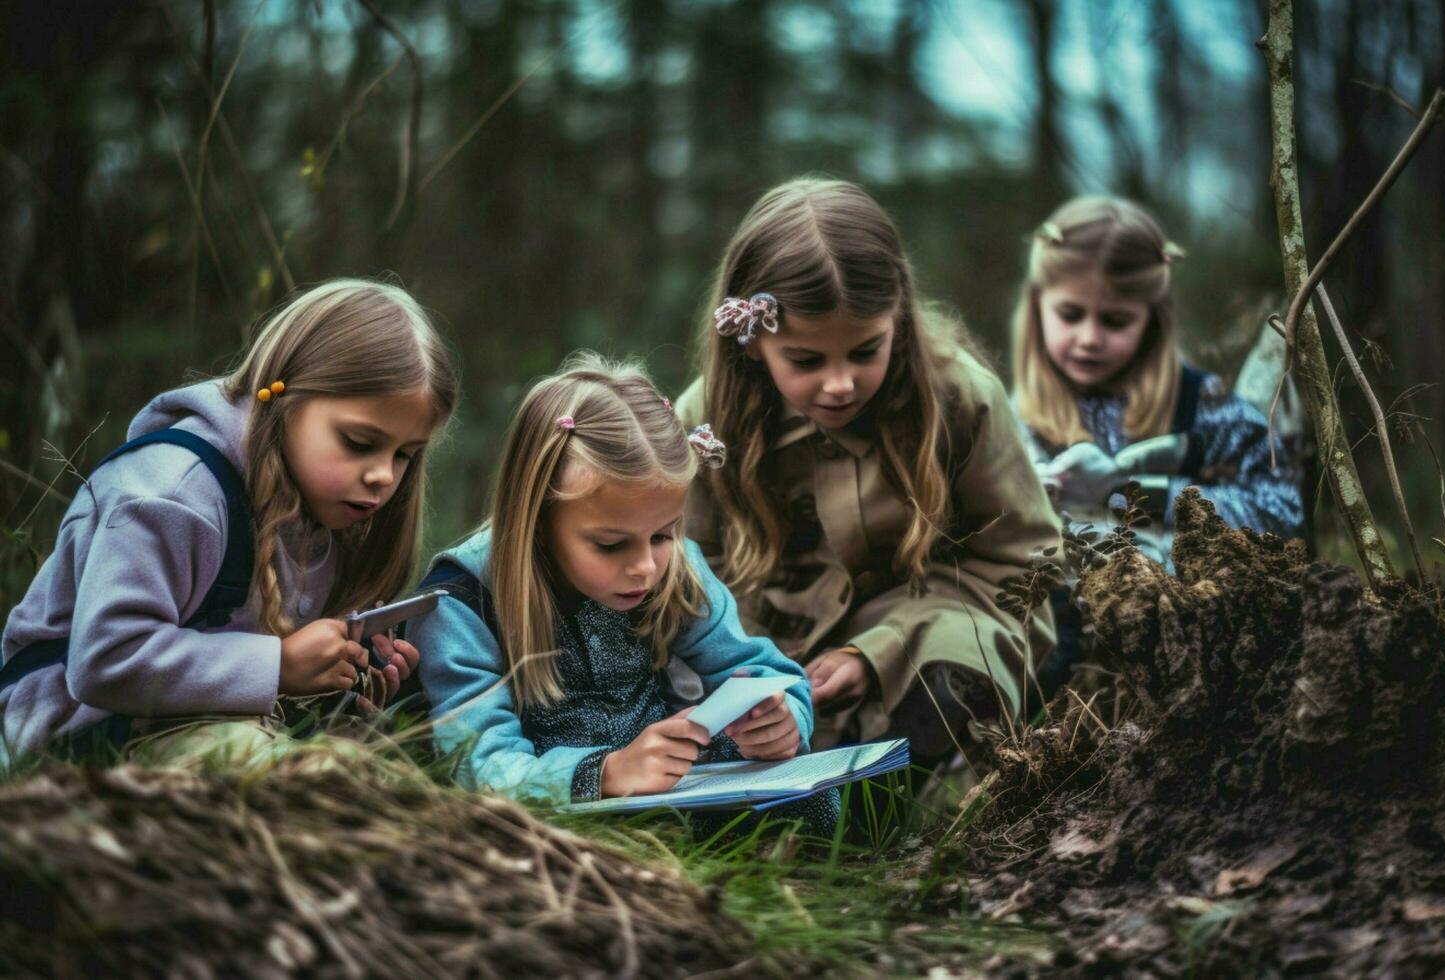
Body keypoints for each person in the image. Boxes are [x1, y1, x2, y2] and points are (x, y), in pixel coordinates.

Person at [675, 177, 1063, 778]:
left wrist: (877, 653)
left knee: (958, 663)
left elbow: (1024, 567)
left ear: (897, 321)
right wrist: (755, 672)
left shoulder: (961, 400)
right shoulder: (704, 424)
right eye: (806, 361)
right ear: (752, 343)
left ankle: (883, 801)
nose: (839, 384)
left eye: (865, 352)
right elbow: (687, 575)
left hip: (924, 628)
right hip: (765, 654)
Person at [1, 279, 459, 764]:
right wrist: (279, 666)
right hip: (65, 733)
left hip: (204, 729)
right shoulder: (172, 493)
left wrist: (345, 676)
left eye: (406, 455)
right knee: (309, 780)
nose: (383, 476)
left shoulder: (326, 511)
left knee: (375, 771)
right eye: (359, 442)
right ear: (285, 400)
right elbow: (104, 661)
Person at [412, 353, 834, 830]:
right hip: (546, 814)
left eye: (664, 534)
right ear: (538, 519)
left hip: (669, 786)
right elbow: (478, 768)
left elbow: (758, 668)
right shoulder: (464, 602)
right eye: (610, 545)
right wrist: (605, 773)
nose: (645, 567)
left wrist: (783, 722)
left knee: (815, 807)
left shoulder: (674, 568)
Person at [1009, 196, 1305, 690]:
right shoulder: (1015, 415)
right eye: (1070, 314)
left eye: (1115, 321)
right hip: (1057, 636)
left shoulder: (1198, 402)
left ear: (1152, 319)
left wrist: (1144, 495)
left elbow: (1283, 510)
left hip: (1184, 630)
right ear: (1037, 308)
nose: (1088, 338)